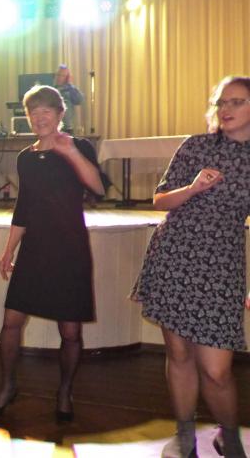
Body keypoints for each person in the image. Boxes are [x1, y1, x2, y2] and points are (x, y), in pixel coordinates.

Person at [132, 76, 250, 458]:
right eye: (221, 103)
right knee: (179, 354)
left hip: (221, 267)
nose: (226, 109)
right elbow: (160, 200)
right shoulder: (196, 146)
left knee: (216, 370)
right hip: (175, 257)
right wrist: (194, 188)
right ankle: (185, 435)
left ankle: (229, 436)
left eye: (236, 102)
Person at [0, 85, 104, 423]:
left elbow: (98, 187)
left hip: (70, 249)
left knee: (70, 332)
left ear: (60, 114)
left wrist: (70, 153)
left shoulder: (79, 146)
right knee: (11, 322)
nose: (39, 117)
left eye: (46, 111)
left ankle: (65, 392)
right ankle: (7, 386)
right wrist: (8, 249)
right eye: (33, 112)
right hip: (34, 249)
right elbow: (23, 207)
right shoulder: (25, 157)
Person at [54, 64, 85, 135]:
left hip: (67, 128)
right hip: (53, 127)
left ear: (67, 78)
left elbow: (80, 100)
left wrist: (70, 85)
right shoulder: (50, 89)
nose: (59, 77)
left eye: (62, 75)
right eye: (58, 75)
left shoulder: (70, 90)